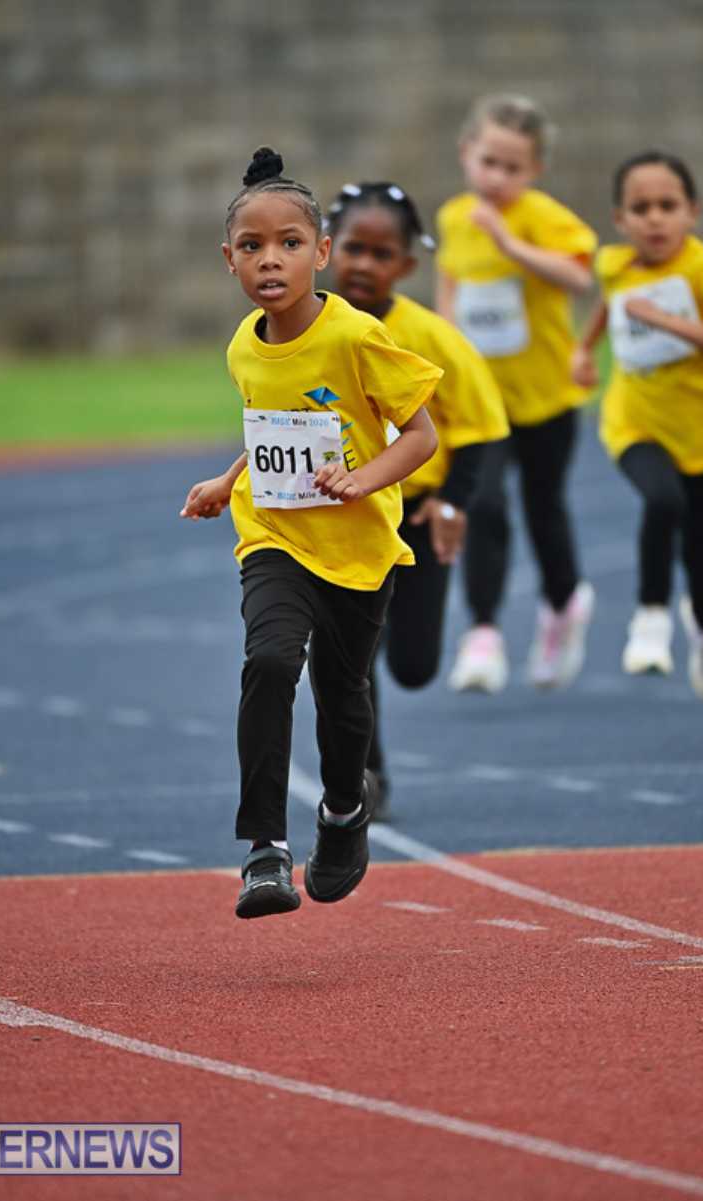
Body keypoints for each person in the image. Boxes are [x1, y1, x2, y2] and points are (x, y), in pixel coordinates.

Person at [180, 148, 441, 918]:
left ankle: (344, 813)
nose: (271, 259)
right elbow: (273, 427)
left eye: (289, 243)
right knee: (268, 660)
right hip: (274, 534)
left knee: (343, 694)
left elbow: (420, 436)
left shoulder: (356, 336)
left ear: (320, 252)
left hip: (356, 547)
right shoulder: (243, 344)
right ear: (229, 259)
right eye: (252, 246)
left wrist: (365, 479)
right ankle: (265, 848)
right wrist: (228, 479)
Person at [325, 180, 509, 819]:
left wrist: (454, 501)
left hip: (418, 516)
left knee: (413, 665)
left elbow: (482, 426)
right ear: (327, 249)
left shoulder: (432, 336)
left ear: (406, 265)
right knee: (351, 656)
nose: (364, 264)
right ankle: (367, 775)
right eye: (354, 248)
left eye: (382, 255)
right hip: (344, 516)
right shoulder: (309, 329)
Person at [436, 93, 596, 693]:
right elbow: (449, 292)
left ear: (535, 170)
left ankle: (563, 607)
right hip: (483, 401)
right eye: (488, 162)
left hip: (547, 397)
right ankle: (483, 633)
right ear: (466, 154)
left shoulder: (543, 217)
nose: (497, 177)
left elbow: (579, 276)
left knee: (543, 509)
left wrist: (509, 244)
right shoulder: (454, 218)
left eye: (512, 167)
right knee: (482, 505)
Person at [573, 150, 703, 702]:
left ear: (692, 211)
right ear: (620, 220)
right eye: (640, 208)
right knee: (663, 501)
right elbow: (610, 303)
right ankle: (650, 617)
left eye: (667, 206)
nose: (654, 219)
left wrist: (666, 321)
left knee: (702, 557)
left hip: (702, 430)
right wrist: (584, 349)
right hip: (633, 421)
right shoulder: (614, 264)